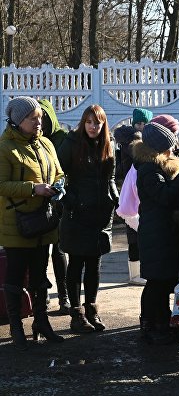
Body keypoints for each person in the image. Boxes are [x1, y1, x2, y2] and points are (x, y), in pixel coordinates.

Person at [0, 96, 65, 349]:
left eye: (40, 117)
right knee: (16, 276)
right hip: (17, 223)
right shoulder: (5, 147)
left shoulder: (47, 143)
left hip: (44, 221)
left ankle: (42, 322)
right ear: (18, 121)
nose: (39, 122)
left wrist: (59, 186)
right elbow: (2, 185)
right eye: (33, 118)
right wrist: (32, 189)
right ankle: (17, 328)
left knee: (40, 276)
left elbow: (58, 171)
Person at [58, 105, 119, 334]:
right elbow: (58, 175)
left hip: (101, 215)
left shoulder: (107, 143)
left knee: (95, 264)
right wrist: (72, 200)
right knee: (76, 264)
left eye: (98, 122)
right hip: (77, 215)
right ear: (83, 123)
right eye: (90, 122)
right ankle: (76, 314)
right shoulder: (71, 143)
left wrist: (114, 195)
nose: (94, 126)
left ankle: (92, 309)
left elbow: (111, 175)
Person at [133, 122, 179, 344]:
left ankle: (162, 322)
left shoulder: (156, 166)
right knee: (156, 282)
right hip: (155, 233)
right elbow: (164, 196)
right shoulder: (148, 169)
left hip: (163, 232)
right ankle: (148, 324)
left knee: (163, 280)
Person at [114, 108, 153, 286]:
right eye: (139, 123)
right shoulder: (134, 143)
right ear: (133, 124)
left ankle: (137, 272)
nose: (142, 127)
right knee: (135, 232)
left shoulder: (129, 141)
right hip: (133, 190)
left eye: (145, 124)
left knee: (136, 230)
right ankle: (136, 274)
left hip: (134, 190)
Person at [38, 99, 70, 315]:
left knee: (59, 252)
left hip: (59, 203)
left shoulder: (63, 140)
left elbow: (68, 168)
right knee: (40, 253)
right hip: (37, 203)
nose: (41, 124)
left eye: (44, 119)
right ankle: (43, 298)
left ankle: (64, 296)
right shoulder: (32, 141)